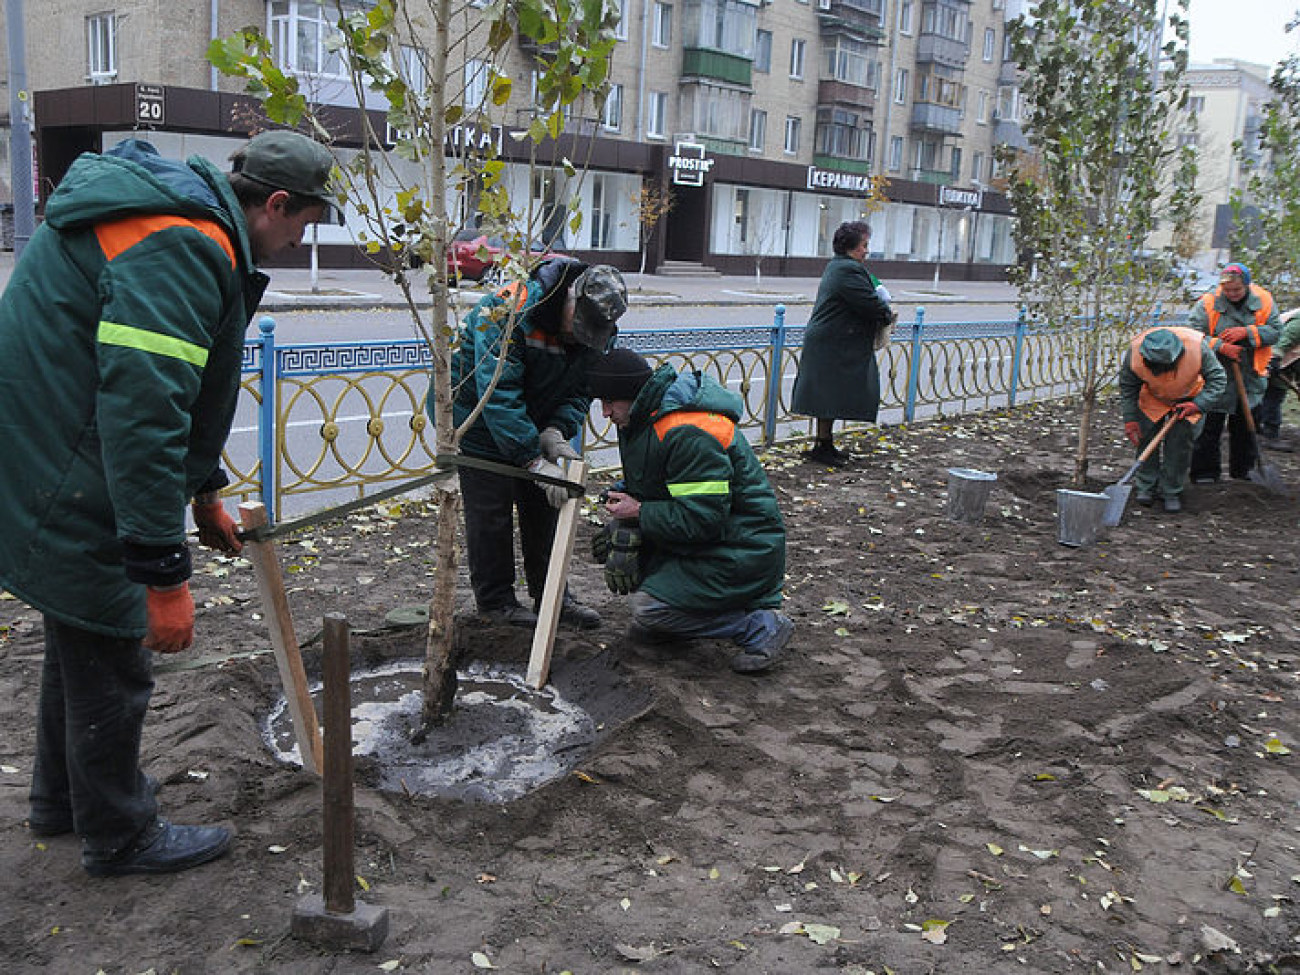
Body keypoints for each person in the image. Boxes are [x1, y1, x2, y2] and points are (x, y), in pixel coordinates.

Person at [0, 130, 336, 876]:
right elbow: (144, 410)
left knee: (79, 631)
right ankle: (120, 834)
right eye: (302, 224)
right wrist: (164, 574)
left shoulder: (186, 222)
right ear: (275, 203)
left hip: (52, 442)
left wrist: (205, 491)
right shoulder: (184, 242)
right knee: (116, 643)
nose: (296, 240)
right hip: (71, 457)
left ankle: (61, 803)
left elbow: (180, 389)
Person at [445, 257, 627, 629]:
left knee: (545, 505)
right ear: (571, 300)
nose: (580, 339)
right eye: (578, 329)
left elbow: (582, 388)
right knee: (491, 512)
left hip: (534, 414)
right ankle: (496, 603)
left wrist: (556, 431)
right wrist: (531, 459)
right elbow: (497, 393)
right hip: (476, 418)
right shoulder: (508, 312)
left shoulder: (598, 328)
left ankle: (553, 595)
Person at [587, 348, 793, 674]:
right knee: (631, 558)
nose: (605, 413)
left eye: (610, 401)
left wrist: (639, 511)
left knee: (648, 608)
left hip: (744, 549)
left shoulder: (686, 431)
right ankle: (676, 621)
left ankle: (758, 624)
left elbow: (703, 519)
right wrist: (624, 496)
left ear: (634, 395)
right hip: (718, 542)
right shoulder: (645, 420)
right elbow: (661, 480)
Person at [790, 220, 893, 466]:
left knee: (829, 396)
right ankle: (822, 447)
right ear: (851, 246)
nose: (867, 250)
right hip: (833, 343)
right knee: (829, 395)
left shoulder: (840, 266)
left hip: (832, 341)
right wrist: (886, 312)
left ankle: (823, 444)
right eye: (864, 245)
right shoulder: (848, 270)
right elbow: (868, 303)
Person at [1117, 327, 1227, 513]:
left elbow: (1218, 380)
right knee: (1146, 439)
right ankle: (1146, 486)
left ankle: (1171, 490)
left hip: (1189, 398)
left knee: (1180, 445)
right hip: (1153, 396)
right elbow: (1128, 387)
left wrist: (1199, 404)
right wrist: (1130, 419)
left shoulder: (1197, 348)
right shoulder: (1135, 352)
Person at [1188, 263, 1280, 483]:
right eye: (1227, 291)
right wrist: (1220, 346)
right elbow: (1192, 335)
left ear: (1246, 286)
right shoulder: (1208, 303)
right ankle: (1205, 473)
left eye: (1236, 290)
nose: (1231, 294)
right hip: (1215, 374)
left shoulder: (1264, 301)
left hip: (1250, 374)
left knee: (1246, 426)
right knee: (1210, 425)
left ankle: (1244, 470)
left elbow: (1276, 332)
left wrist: (1247, 332)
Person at [1257, 307, 1300, 450]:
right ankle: (1269, 434)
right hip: (1274, 356)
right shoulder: (1298, 322)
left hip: (1292, 357)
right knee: (1274, 393)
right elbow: (1283, 341)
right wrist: (1274, 359)